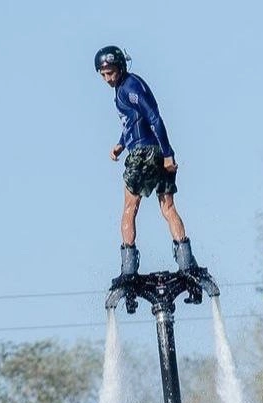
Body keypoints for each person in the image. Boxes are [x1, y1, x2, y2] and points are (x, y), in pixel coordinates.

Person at [95, 45, 201, 279]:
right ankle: (186, 262)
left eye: (110, 72)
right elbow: (135, 121)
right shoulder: (127, 86)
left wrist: (168, 153)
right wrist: (121, 144)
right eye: (103, 74)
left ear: (120, 67)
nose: (107, 78)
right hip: (153, 150)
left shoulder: (129, 88)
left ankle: (128, 270)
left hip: (144, 154)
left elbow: (153, 117)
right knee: (168, 207)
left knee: (129, 210)